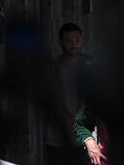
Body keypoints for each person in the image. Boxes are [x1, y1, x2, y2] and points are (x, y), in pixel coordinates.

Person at [45, 23, 92, 165]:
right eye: (69, 41)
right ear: (60, 42)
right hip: (58, 139)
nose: (74, 45)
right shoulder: (53, 68)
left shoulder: (90, 65)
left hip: (86, 139)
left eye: (77, 40)